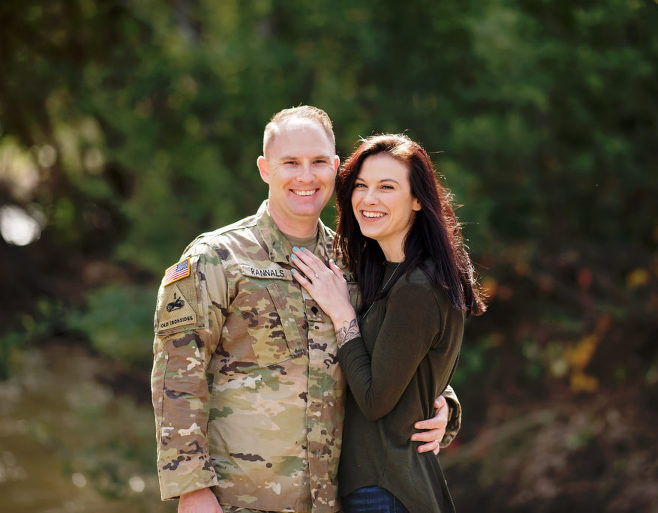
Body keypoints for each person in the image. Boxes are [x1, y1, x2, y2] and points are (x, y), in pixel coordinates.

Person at [150, 107, 462, 513]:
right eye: (290, 163)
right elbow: (177, 376)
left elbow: (398, 348)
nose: (305, 176)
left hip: (333, 502)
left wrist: (445, 408)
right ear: (265, 169)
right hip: (240, 501)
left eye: (317, 162)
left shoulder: (355, 262)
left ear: (334, 168)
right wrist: (192, 489)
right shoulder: (216, 258)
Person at [290, 134, 486, 513]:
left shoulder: (416, 286)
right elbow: (409, 369)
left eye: (386, 187)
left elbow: (376, 400)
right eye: (360, 186)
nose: (368, 199)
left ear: (417, 200)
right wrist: (444, 399)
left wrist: (341, 312)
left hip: (384, 490)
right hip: (380, 484)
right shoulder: (387, 273)